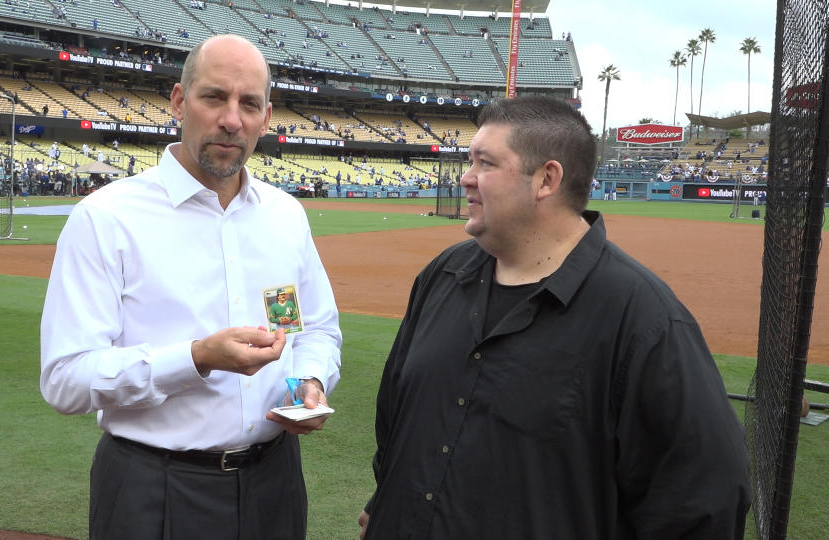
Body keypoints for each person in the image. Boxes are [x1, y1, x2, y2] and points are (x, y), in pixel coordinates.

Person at [358, 96, 750, 540]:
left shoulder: (644, 320)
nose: (466, 178)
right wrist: (384, 501)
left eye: (484, 164)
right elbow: (395, 416)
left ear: (546, 179)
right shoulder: (442, 276)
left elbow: (703, 500)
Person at [40, 34, 342, 540]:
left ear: (266, 118)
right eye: (214, 97)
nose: (231, 119)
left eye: (249, 104)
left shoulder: (285, 217)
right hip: (153, 487)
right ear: (179, 101)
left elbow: (314, 331)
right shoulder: (106, 217)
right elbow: (66, 380)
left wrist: (310, 385)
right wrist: (197, 357)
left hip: (276, 483)